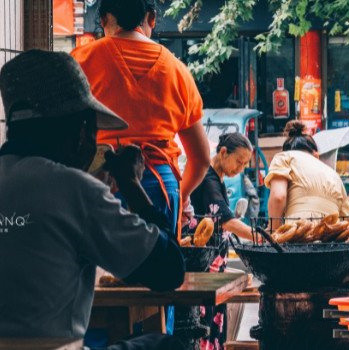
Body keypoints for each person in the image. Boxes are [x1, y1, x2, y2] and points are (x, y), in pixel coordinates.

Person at [0, 50, 186, 349]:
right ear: (81, 133)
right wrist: (131, 183)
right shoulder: (74, 190)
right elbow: (168, 270)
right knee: (167, 345)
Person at [71, 0, 210, 333]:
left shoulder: (83, 61)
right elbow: (202, 158)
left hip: (99, 181)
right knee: (159, 288)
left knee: (95, 282)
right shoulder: (176, 69)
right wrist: (184, 194)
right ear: (150, 19)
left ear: (104, 19)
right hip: (160, 183)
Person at [189, 132, 254, 348]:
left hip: (213, 269)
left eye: (245, 164)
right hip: (205, 270)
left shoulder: (217, 177)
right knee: (206, 327)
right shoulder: (208, 179)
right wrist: (259, 237)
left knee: (214, 328)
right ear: (223, 152)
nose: (241, 168)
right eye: (239, 161)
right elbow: (225, 220)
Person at [265, 121, 349, 227]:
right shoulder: (333, 174)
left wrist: (274, 230)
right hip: (330, 237)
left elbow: (278, 197)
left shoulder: (284, 157)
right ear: (316, 155)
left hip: (298, 232)